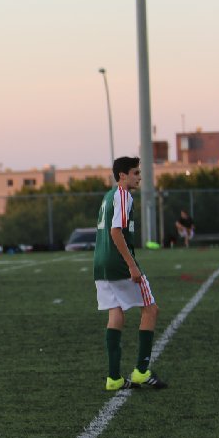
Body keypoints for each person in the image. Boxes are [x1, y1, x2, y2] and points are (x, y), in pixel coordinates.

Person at [93, 156, 167, 391]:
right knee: (151, 309)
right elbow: (116, 232)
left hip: (100, 264)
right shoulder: (123, 196)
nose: (139, 177)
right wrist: (132, 265)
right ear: (122, 176)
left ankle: (114, 378)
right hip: (118, 264)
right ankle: (141, 372)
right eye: (135, 172)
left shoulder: (108, 196)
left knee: (116, 313)